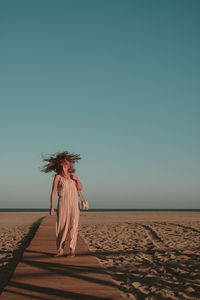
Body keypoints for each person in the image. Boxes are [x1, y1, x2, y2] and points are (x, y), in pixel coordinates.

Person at [41, 151, 83, 257]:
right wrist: (51, 207)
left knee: (73, 226)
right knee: (62, 226)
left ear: (69, 165)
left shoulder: (73, 175)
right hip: (63, 204)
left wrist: (77, 179)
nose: (66, 166)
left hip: (74, 204)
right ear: (60, 165)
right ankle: (60, 249)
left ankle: (72, 250)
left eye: (67, 164)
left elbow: (80, 188)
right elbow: (53, 192)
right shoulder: (58, 177)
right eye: (64, 164)